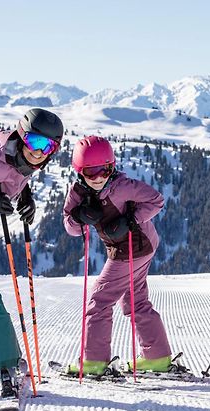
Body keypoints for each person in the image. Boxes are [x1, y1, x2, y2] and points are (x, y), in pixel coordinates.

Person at [0, 108, 64, 397]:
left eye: (48, 147)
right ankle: (6, 364)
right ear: (20, 135)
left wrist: (23, 194)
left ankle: (8, 357)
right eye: (34, 142)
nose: (39, 152)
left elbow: (12, 177)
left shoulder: (16, 157)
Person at [63, 135, 172, 375]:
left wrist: (130, 219)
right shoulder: (77, 193)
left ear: (112, 167)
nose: (100, 177)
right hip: (139, 247)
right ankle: (157, 357)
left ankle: (94, 363)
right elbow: (69, 226)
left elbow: (156, 200)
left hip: (132, 247)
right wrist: (79, 217)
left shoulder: (121, 186)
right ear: (80, 171)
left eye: (106, 169)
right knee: (135, 300)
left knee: (99, 301)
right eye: (91, 172)